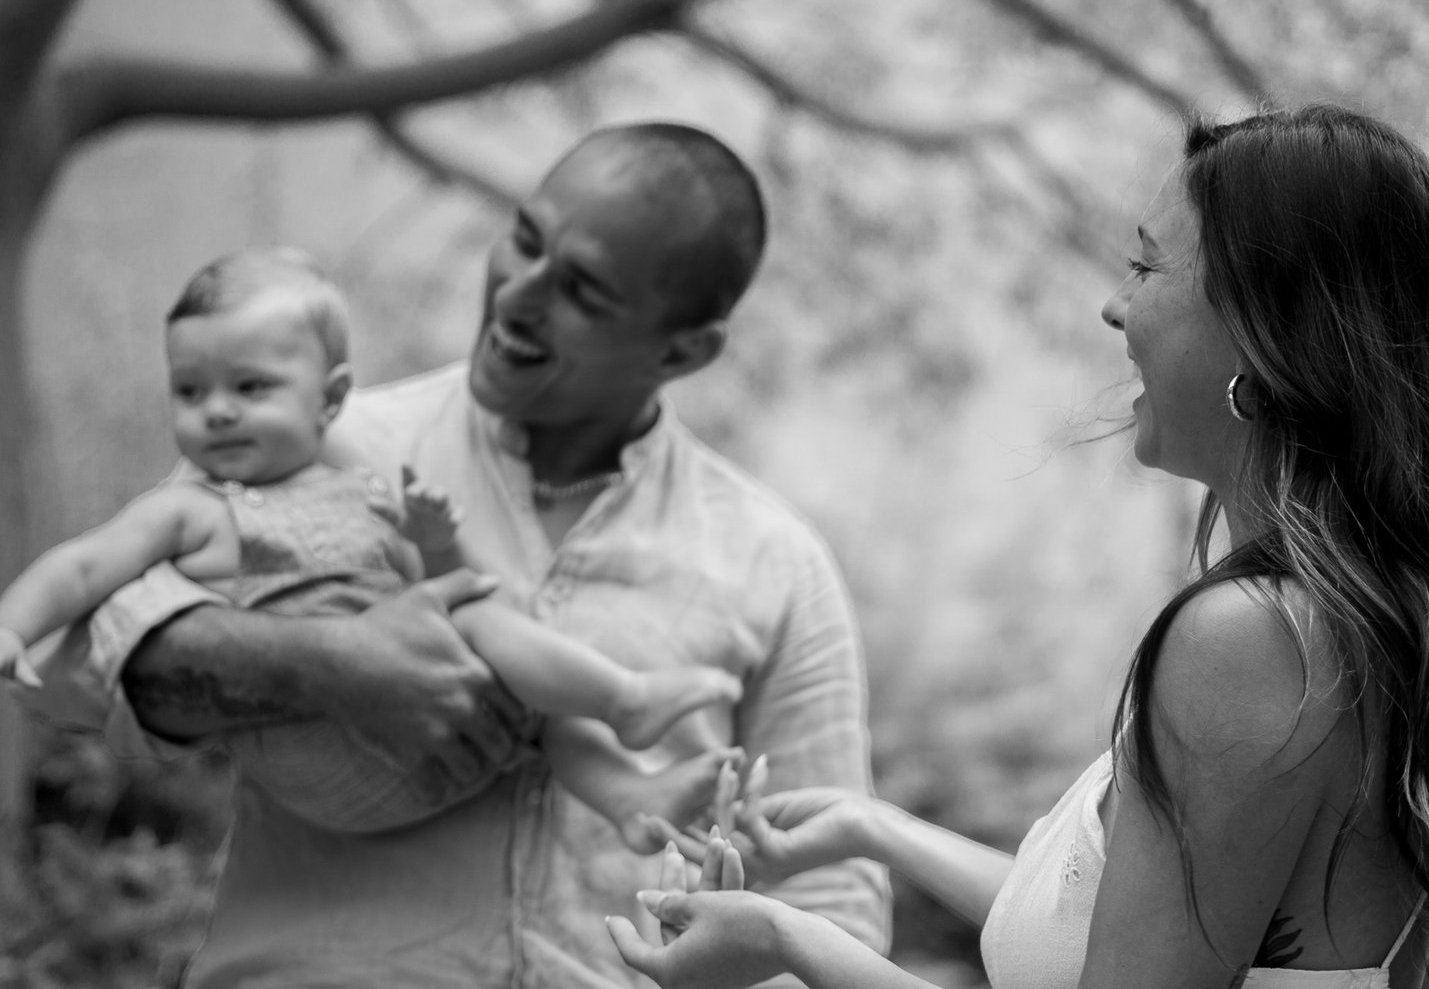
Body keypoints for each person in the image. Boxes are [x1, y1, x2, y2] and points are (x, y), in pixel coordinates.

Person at [605, 104, 1429, 989]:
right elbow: (1124, 935)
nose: (1113, 306)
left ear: (1263, 334)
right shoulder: (1362, 619)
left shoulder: (1247, 645)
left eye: (1146, 265)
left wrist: (787, 943)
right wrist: (878, 828)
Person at [15, 124, 890, 987]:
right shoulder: (311, 449)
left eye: (581, 290)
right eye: (524, 239)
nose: (516, 294)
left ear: (683, 349)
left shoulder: (776, 562)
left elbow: (832, 898)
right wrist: (318, 666)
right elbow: (66, 672)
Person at [0, 246, 746, 840]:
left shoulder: (364, 489)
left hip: (438, 747)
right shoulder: (195, 508)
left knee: (498, 647)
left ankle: (628, 796)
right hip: (324, 752)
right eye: (190, 391)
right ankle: (628, 696)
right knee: (482, 624)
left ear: (329, 398)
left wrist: (434, 541)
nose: (217, 413)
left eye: (250, 388)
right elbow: (85, 567)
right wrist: (13, 625)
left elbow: (433, 592)